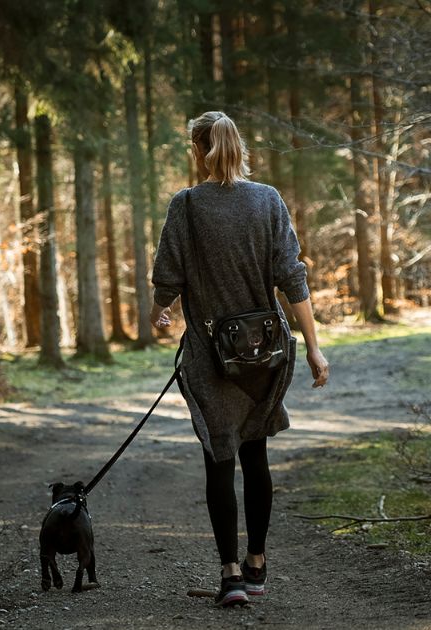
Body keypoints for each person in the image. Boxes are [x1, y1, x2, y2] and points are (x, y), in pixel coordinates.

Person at [150, 111, 330, 608]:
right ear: (238, 147)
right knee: (256, 455)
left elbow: (167, 280)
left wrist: (159, 316)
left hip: (211, 355)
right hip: (267, 352)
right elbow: (292, 278)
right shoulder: (268, 200)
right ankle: (256, 563)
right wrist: (313, 345)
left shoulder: (185, 207)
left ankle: (229, 574)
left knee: (218, 459)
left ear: (197, 149)